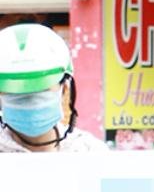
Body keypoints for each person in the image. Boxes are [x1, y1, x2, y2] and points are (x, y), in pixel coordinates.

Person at [0, 23, 100, 153]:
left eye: (41, 87)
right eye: (16, 91)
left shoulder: (88, 151)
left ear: (64, 89)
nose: (30, 99)